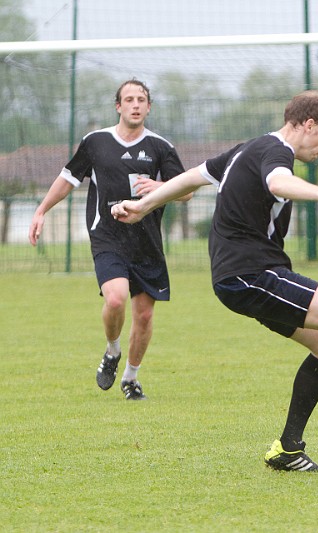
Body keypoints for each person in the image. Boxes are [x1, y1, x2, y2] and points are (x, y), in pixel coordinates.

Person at [111, 90, 318, 472]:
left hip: (241, 277)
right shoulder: (276, 153)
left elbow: (193, 177)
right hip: (252, 273)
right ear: (307, 125)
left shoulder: (248, 148)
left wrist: (144, 205)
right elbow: (277, 183)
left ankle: (288, 449)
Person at [29, 79, 191, 401]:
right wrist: (41, 210)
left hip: (147, 242)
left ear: (148, 107)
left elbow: (185, 190)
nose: (135, 104)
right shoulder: (96, 142)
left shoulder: (160, 147)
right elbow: (68, 179)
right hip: (108, 237)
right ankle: (112, 350)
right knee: (115, 300)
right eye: (128, 99)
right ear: (118, 106)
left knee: (144, 315)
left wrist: (159, 188)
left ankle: (131, 378)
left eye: (141, 99)